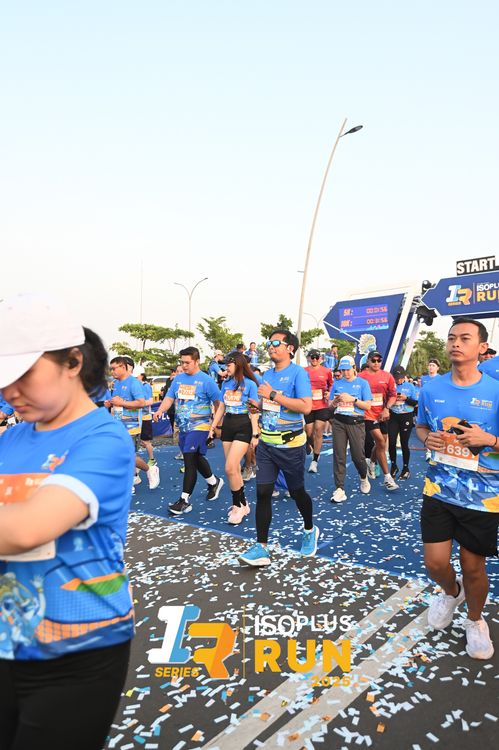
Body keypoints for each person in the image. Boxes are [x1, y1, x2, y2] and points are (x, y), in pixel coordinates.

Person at [0, 293, 135, 750]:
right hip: (7, 639)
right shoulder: (11, 438)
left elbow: (27, 529)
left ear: (73, 362)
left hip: (78, 650)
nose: (9, 392)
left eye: (23, 375)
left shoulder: (104, 437)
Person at [416, 317, 499, 660]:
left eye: (465, 338)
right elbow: (422, 427)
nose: (455, 343)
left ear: (482, 347)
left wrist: (489, 439)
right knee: (435, 564)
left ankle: (475, 620)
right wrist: (428, 439)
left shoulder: (495, 391)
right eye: (451, 338)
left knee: (473, 566)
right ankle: (452, 592)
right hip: (439, 488)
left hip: (483, 495)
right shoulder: (431, 388)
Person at [238, 329, 319, 566]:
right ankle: (261, 547)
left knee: (297, 492)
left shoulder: (298, 373)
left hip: (291, 445)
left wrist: (272, 394)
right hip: (267, 444)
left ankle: (309, 529)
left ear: (290, 348)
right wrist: (258, 405)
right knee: (263, 493)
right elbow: (271, 405)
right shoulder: (268, 375)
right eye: (269, 343)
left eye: (276, 343)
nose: (270, 347)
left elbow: (305, 407)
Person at [154, 346, 224, 514]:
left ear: (197, 361)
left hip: (200, 427)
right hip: (183, 427)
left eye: (187, 362)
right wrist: (160, 410)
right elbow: (169, 398)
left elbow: (219, 403)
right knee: (196, 457)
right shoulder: (178, 380)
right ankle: (214, 482)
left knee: (189, 460)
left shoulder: (207, 380)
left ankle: (184, 500)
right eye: (182, 362)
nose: (184, 365)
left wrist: (216, 426)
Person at [208, 353, 260, 524]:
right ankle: (243, 503)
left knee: (230, 467)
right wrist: (213, 427)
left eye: (228, 365)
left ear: (238, 365)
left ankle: (237, 505)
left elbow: (254, 411)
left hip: (244, 425)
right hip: (228, 425)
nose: (225, 368)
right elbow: (222, 407)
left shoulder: (250, 384)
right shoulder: (226, 383)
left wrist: (255, 434)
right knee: (234, 469)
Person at [108, 357, 160, 491]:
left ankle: (149, 469)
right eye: (111, 369)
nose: (112, 372)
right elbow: (117, 402)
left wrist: (121, 403)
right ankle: (131, 480)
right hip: (118, 424)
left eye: (114, 369)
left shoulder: (134, 383)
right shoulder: (116, 383)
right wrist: (110, 403)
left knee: (128, 455)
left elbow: (141, 402)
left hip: (131, 426)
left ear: (123, 367)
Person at [329, 356, 372, 502]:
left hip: (356, 422)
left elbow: (368, 406)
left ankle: (363, 476)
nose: (345, 373)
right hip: (339, 422)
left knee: (357, 456)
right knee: (339, 455)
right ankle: (339, 488)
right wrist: (335, 401)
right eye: (343, 370)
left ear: (354, 368)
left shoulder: (363, 383)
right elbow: (330, 405)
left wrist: (353, 399)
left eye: (348, 369)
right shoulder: (337, 383)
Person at [358, 350, 399, 490]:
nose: (376, 363)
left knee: (381, 443)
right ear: (368, 361)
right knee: (381, 442)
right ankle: (388, 478)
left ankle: (371, 462)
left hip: (382, 415)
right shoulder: (360, 377)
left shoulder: (387, 376)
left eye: (379, 360)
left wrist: (387, 408)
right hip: (367, 415)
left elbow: (393, 395)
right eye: (373, 360)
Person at [304, 349, 333, 473]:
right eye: (312, 357)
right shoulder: (304, 371)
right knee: (309, 432)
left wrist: (329, 392)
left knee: (319, 430)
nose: (315, 359)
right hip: (308, 405)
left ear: (320, 358)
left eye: (317, 357)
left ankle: (315, 460)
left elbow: (331, 385)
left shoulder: (326, 371)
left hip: (322, 405)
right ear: (309, 358)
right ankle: (313, 448)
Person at [388, 365, 418, 480]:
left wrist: (405, 398)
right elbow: (386, 400)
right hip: (393, 416)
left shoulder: (410, 386)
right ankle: (393, 466)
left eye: (400, 378)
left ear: (404, 376)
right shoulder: (391, 386)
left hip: (406, 416)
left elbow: (415, 403)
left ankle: (406, 468)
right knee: (391, 442)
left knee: (404, 443)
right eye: (396, 378)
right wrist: (393, 399)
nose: (398, 380)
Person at [135, 370, 158, 471]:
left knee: (146, 441)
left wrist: (138, 404)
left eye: (136, 376)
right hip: (136, 418)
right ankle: (137, 463)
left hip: (145, 417)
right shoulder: (134, 385)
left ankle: (152, 459)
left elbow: (150, 401)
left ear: (142, 375)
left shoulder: (146, 386)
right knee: (137, 442)